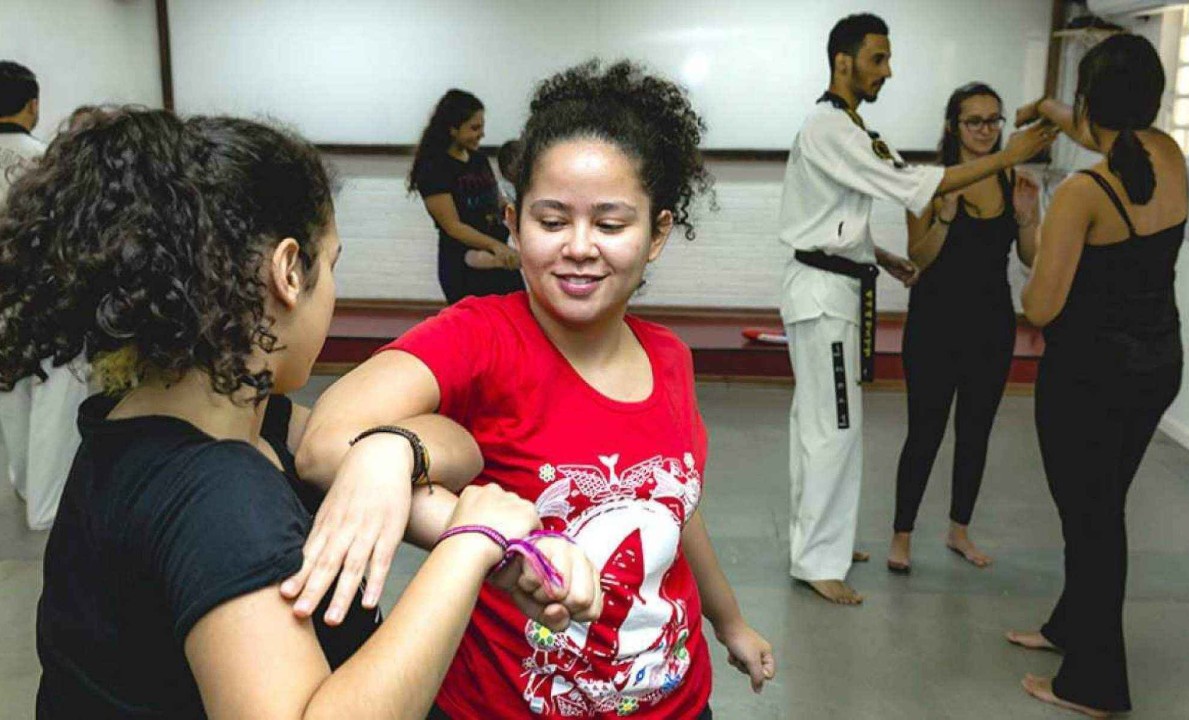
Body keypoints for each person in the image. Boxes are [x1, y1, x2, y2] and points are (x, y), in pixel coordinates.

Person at [0, 108, 598, 718]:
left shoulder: (202, 423)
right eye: (330, 264)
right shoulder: (219, 496)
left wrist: (390, 452)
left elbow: (457, 447)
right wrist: (466, 549)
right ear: (289, 271)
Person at [296, 60, 775, 719]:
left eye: (610, 225)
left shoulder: (670, 358)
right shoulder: (478, 337)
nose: (580, 247)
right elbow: (324, 444)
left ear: (657, 234)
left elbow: (676, 515)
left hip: (677, 701)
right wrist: (497, 542)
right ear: (514, 224)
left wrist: (731, 625)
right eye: (553, 222)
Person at [778, 12, 1056, 605]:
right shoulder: (830, 127)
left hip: (838, 286)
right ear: (844, 61)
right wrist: (1008, 159)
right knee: (833, 428)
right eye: (878, 59)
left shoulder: (848, 128)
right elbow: (911, 187)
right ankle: (816, 560)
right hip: (825, 297)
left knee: (819, 424)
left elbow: (830, 219)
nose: (888, 70)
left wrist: (876, 254)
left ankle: (820, 539)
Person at [1005, 34, 1186, 718]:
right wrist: (1055, 109)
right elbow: (1110, 135)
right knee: (1099, 507)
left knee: (1092, 521)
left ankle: (1096, 684)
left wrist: (1040, 227)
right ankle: (1068, 628)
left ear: (1090, 101)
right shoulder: (1167, 154)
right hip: (1156, 366)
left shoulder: (1084, 192)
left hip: (1089, 380)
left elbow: (1039, 305)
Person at [886, 83, 1041, 574]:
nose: (985, 130)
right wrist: (945, 220)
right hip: (934, 324)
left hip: (992, 325)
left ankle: (959, 532)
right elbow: (919, 257)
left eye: (994, 121)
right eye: (974, 121)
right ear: (953, 125)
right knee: (925, 432)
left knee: (976, 431)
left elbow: (1030, 258)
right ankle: (902, 536)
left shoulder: (1010, 177)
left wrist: (1028, 220)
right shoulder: (927, 182)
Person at [0, 60, 90, 531]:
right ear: (32, 105)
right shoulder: (45, 165)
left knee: (7, 395)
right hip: (44, 301)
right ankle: (48, 505)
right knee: (54, 403)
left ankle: (21, 482)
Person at [408, 89, 523, 302]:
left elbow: (497, 201)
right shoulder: (434, 170)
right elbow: (453, 226)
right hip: (465, 264)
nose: (481, 134)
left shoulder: (479, 160)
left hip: (499, 257)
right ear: (453, 129)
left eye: (482, 127)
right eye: (474, 128)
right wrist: (494, 246)